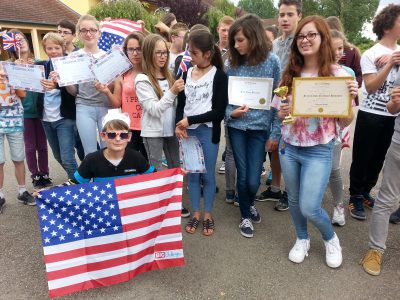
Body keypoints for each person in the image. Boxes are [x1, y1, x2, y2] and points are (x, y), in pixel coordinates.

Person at [273, 16, 358, 268]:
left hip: (319, 150)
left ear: (322, 38)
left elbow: (344, 123)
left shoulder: (338, 74)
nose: (305, 40)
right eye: (301, 36)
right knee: (294, 201)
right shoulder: (289, 73)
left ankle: (331, 238)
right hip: (289, 147)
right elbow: (279, 114)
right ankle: (302, 239)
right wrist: (282, 112)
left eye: (312, 35)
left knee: (310, 206)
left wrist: (349, 101)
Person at [225, 14, 281, 238]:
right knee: (243, 172)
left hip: (260, 128)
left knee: (252, 177)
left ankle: (248, 203)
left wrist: (275, 132)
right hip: (237, 127)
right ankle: (245, 215)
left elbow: (278, 99)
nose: (236, 45)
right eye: (234, 41)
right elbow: (222, 100)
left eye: (240, 40)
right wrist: (231, 114)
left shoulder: (272, 61)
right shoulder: (231, 63)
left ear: (254, 37)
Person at [348, 4, 400, 221]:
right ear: (388, 25)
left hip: (393, 116)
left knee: (379, 158)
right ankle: (355, 196)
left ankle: (367, 191)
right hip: (370, 114)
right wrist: (389, 65)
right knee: (362, 155)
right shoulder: (371, 54)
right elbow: (369, 87)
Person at [175, 29, 228, 236]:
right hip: (188, 132)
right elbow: (181, 103)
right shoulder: (187, 73)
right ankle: (196, 212)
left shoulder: (220, 76)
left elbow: (218, 112)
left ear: (207, 53)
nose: (190, 56)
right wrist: (179, 124)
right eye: (189, 51)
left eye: (194, 52)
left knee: (207, 174)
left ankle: (208, 213)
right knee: (193, 175)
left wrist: (190, 120)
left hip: (207, 132)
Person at [134, 34, 189, 217]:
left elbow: (176, 107)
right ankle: (157, 206)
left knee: (175, 167)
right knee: (155, 169)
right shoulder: (142, 79)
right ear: (149, 54)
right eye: (158, 52)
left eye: (164, 52)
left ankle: (175, 203)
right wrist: (172, 92)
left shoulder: (170, 75)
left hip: (171, 131)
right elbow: (155, 110)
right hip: (153, 133)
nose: (163, 56)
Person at [256, 0, 301, 211]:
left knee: (290, 150)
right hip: (273, 102)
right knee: (274, 146)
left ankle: (291, 193)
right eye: (282, 14)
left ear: (299, 15)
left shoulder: (302, 43)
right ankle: (275, 188)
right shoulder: (273, 45)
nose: (284, 19)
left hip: (295, 104)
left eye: (289, 14)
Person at [360, 86, 400, 276]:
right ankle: (375, 249)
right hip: (399, 146)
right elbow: (392, 108)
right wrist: (395, 102)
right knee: (386, 199)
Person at [63, 15, 111, 156]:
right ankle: (93, 178)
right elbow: (73, 91)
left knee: (108, 148)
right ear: (79, 34)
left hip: (105, 107)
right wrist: (66, 81)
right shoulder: (72, 58)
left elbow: (114, 88)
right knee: (90, 151)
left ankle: (107, 178)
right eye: (84, 30)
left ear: (99, 33)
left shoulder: (108, 57)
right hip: (84, 106)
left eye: (92, 30)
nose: (88, 34)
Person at [8, 30, 51, 188]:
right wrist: (15, 71)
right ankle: (35, 175)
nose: (21, 42)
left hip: (40, 110)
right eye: (16, 41)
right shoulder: (10, 67)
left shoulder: (39, 63)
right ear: (12, 47)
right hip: (23, 112)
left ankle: (45, 172)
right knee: (30, 146)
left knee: (43, 145)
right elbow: (9, 90)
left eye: (22, 39)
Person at [95, 31, 148, 160]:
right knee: (130, 164)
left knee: (148, 164)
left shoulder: (151, 72)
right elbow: (117, 103)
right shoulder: (122, 75)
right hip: (129, 127)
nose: (135, 53)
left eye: (138, 49)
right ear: (126, 51)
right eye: (131, 49)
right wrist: (106, 91)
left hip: (149, 127)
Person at [37, 32, 78, 180]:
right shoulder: (41, 66)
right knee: (58, 156)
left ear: (63, 48)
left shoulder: (69, 65)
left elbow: (74, 92)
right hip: (47, 118)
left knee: (67, 157)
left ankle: (78, 187)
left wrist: (58, 84)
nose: (53, 51)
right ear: (45, 50)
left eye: (56, 48)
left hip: (64, 117)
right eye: (49, 48)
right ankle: (77, 179)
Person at [72, 111, 154, 184]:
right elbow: (74, 184)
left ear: (129, 137)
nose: (118, 139)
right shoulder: (91, 160)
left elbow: (156, 178)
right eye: (112, 135)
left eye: (123, 135)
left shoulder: (136, 157)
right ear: (103, 136)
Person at [328, 29, 357, 227]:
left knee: (334, 170)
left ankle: (338, 206)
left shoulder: (348, 74)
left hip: (336, 131)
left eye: (341, 48)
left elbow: (350, 112)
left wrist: (352, 94)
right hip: (314, 131)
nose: (338, 53)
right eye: (333, 48)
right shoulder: (312, 71)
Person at [0, 64, 36, 206]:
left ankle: (22, 191)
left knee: (19, 158)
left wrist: (14, 78)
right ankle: (0, 195)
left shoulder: (10, 66)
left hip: (14, 121)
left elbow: (22, 94)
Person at [326, 16, 362, 104]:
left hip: (345, 95)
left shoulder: (352, 51)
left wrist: (350, 85)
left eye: (340, 48)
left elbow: (359, 74)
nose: (336, 53)